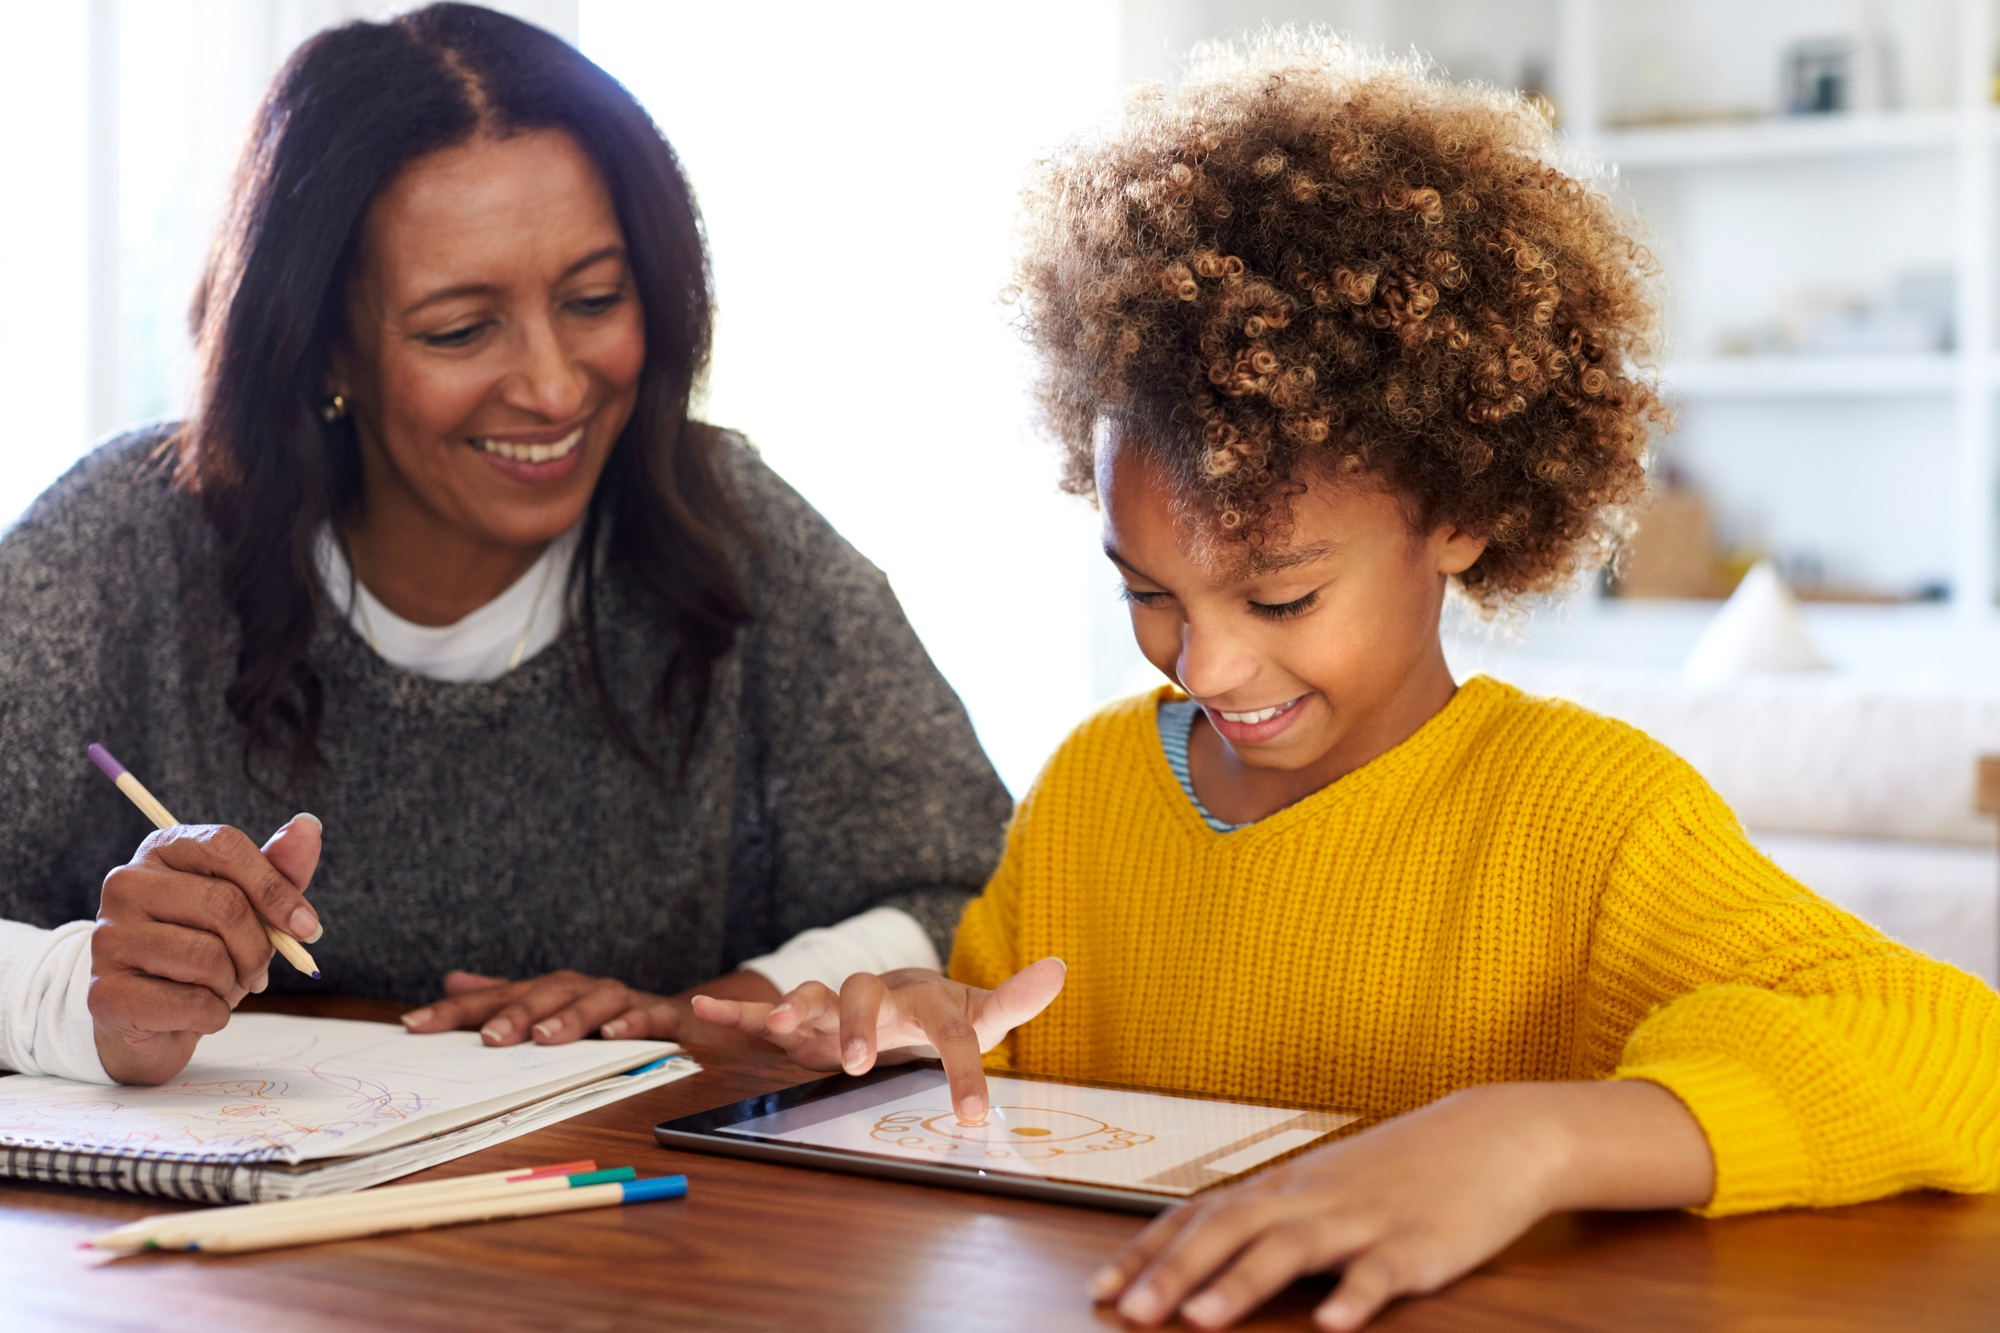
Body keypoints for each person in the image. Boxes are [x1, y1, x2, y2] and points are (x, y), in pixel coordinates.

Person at [694, 35, 2000, 1331]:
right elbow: (1016, 1055)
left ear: (1461, 512)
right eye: (1147, 591)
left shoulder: (1587, 815)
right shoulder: (1095, 787)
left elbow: (1954, 1054)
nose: (1206, 665)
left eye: (1279, 597)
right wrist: (934, 1035)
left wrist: (1530, 1140)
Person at [0, 4, 1010, 1088]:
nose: (552, 386)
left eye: (593, 299)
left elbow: (960, 890)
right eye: (458, 329)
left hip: (632, 1229)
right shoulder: (125, 543)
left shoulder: (732, 536)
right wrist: (82, 993)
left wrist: (723, 1012)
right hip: (196, 1245)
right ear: (324, 342)